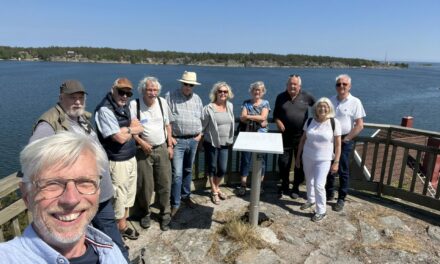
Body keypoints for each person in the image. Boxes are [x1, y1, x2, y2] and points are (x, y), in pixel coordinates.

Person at [29, 80, 129, 260]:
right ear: (61, 98)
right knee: (86, 247)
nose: (77, 102)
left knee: (109, 240)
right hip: (77, 200)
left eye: (81, 97)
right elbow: (32, 159)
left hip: (100, 195)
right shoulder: (50, 123)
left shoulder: (81, 118)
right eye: (72, 97)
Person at [0, 132, 127, 263]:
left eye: (85, 182)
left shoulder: (110, 251)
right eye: (52, 184)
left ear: (98, 190)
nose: (71, 199)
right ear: (26, 196)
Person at [95, 77, 144, 240]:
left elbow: (139, 127)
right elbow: (119, 138)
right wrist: (131, 130)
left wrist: (126, 129)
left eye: (128, 93)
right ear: (113, 90)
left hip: (130, 157)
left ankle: (123, 225)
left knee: (128, 194)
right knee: (118, 197)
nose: (124, 96)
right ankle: (116, 233)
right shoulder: (105, 110)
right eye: (121, 92)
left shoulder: (127, 106)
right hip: (116, 160)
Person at [130, 76, 173, 231]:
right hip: (143, 150)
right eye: (149, 89)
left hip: (161, 147)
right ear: (143, 90)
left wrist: (169, 145)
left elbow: (167, 125)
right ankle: (145, 213)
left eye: (155, 90)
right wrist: (141, 142)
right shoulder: (135, 105)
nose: (152, 93)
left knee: (165, 182)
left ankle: (165, 214)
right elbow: (131, 130)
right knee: (145, 185)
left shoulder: (162, 103)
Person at [296, 98, 341, 222]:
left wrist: (336, 161)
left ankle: (321, 211)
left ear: (329, 108)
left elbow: (338, 145)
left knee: (319, 185)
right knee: (309, 180)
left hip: (324, 159)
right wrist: (298, 156)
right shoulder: (310, 121)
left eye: (325, 106)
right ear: (316, 108)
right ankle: (311, 200)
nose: (322, 109)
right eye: (320, 106)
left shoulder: (334, 122)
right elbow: (303, 140)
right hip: (307, 156)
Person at [166, 71, 203, 217]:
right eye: (186, 84)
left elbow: (202, 118)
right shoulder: (171, 97)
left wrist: (200, 135)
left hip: (193, 140)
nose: (188, 87)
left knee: (188, 170)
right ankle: (175, 203)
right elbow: (166, 120)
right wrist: (170, 138)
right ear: (181, 83)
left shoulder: (197, 99)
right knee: (177, 174)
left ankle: (186, 197)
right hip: (178, 141)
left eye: (191, 85)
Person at [326, 74, 366, 212]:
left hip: (345, 139)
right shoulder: (331, 100)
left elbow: (360, 125)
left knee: (343, 169)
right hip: (331, 138)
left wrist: (347, 139)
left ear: (349, 86)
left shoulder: (355, 102)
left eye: (344, 84)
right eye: (338, 84)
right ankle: (329, 192)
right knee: (329, 165)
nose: (341, 86)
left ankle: (341, 198)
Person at [273, 74, 316, 199]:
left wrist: (316, 123)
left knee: (300, 163)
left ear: (299, 86)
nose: (292, 86)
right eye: (290, 84)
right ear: (287, 85)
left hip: (301, 137)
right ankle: (284, 184)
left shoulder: (306, 96)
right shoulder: (280, 97)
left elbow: (319, 108)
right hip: (284, 136)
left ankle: (296, 186)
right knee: (283, 162)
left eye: (295, 84)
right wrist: (278, 121)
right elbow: (276, 114)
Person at [202, 82, 235, 204]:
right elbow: (203, 126)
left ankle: (215, 188)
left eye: (225, 92)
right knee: (212, 167)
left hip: (225, 143)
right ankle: (215, 191)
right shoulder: (209, 108)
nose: (223, 93)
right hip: (211, 143)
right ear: (216, 93)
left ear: (228, 94)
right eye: (220, 91)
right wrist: (199, 140)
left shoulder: (230, 106)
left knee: (222, 168)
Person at [237, 81, 271, 196]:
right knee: (245, 160)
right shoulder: (246, 102)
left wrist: (249, 117)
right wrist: (258, 119)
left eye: (259, 90)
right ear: (251, 91)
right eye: (255, 90)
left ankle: (259, 185)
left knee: (262, 161)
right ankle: (243, 184)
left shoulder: (265, 103)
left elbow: (263, 117)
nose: (257, 92)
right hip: (248, 135)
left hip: (261, 136)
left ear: (262, 92)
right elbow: (242, 118)